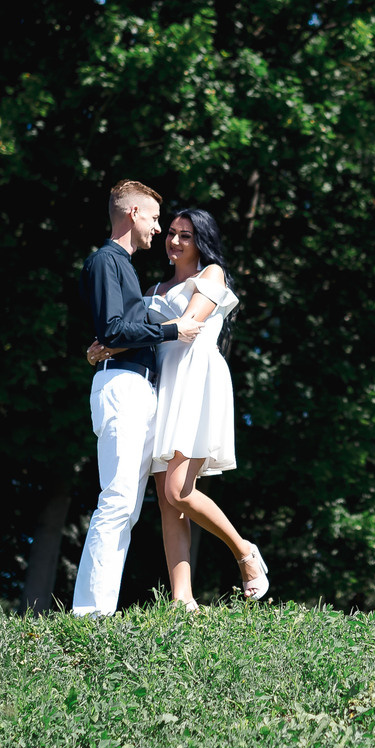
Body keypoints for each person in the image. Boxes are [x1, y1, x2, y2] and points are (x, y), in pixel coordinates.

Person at [71, 181, 201, 617]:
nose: (158, 228)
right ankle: (90, 613)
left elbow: (111, 333)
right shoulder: (107, 260)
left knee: (127, 506)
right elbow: (112, 329)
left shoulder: (124, 267)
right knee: (118, 497)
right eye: (153, 218)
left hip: (137, 388)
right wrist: (171, 329)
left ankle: (99, 609)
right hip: (122, 388)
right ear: (132, 214)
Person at [142, 207, 269, 607]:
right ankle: (183, 599)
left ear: (201, 242)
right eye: (173, 233)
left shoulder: (210, 275)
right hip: (164, 386)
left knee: (180, 490)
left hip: (196, 380)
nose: (175, 241)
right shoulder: (152, 291)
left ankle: (245, 553)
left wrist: (126, 335)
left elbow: (189, 324)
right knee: (166, 499)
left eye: (186, 235)